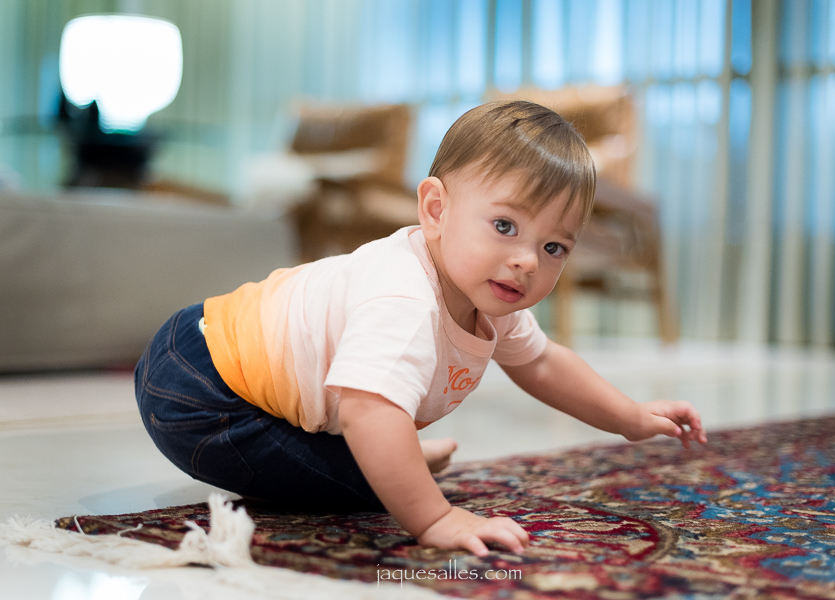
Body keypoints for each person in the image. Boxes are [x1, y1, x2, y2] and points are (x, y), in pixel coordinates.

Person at [135, 100, 707, 557]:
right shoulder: (405, 298)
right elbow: (367, 409)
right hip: (202, 391)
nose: (528, 260)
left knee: (382, 451)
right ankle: (391, 459)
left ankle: (393, 454)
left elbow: (543, 362)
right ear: (435, 210)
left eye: (553, 245)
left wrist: (629, 416)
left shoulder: (489, 295)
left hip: (216, 354)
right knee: (366, 486)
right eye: (504, 225)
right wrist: (435, 516)